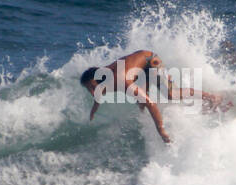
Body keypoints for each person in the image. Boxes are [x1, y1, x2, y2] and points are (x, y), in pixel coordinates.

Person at [80, 49, 220, 143]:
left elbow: (151, 104)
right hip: (140, 67)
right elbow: (98, 94)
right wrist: (94, 109)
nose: (93, 92)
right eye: (89, 89)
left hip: (151, 61)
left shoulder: (121, 80)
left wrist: (161, 131)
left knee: (171, 94)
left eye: (92, 87)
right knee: (140, 102)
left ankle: (212, 97)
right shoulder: (102, 81)